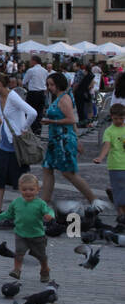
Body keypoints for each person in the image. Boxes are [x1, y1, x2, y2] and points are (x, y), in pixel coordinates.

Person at [0, 69, 38, 215]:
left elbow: (32, 112)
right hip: (5, 143)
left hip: (16, 145)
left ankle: (27, 208)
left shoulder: (13, 96)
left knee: (20, 180)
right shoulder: (0, 97)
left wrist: (24, 128)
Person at [40, 72, 96, 205]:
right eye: (48, 85)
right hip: (56, 140)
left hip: (63, 140)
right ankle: (44, 200)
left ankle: (93, 199)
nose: (49, 87)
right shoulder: (59, 97)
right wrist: (77, 139)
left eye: (52, 84)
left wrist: (51, 122)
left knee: (68, 173)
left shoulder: (64, 98)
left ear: (59, 84)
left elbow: (71, 120)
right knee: (47, 168)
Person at [0, 173, 55, 283]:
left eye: (31, 189)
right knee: (19, 253)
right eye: (24, 189)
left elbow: (49, 211)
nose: (28, 192)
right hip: (20, 234)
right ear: (20, 189)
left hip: (37, 235)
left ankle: (44, 269)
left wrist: (50, 215)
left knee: (41, 256)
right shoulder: (16, 202)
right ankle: (17, 270)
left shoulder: (40, 203)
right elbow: (8, 214)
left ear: (37, 190)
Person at [93, 103, 125, 221]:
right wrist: (100, 157)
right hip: (115, 166)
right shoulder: (109, 131)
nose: (118, 121)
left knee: (123, 191)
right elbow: (107, 145)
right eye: (116, 118)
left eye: (121, 118)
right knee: (118, 191)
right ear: (111, 117)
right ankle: (120, 215)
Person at [22, 56, 49, 136]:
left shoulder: (31, 70)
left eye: (30, 60)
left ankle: (32, 129)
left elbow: (24, 81)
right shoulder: (45, 71)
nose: (30, 62)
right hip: (42, 93)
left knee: (31, 111)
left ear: (34, 61)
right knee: (39, 112)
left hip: (33, 93)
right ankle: (38, 129)